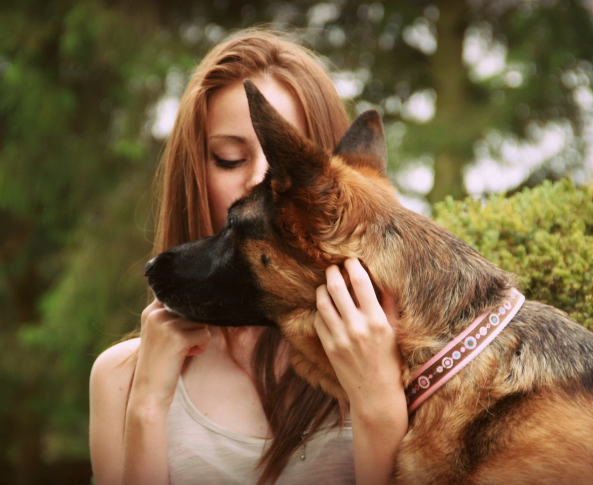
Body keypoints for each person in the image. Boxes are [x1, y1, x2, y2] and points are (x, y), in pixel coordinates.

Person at [89, 29, 408, 485]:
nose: (262, 180)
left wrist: (378, 400)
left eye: (287, 163)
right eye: (229, 158)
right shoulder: (120, 375)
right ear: (194, 174)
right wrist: (146, 405)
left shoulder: (395, 348)